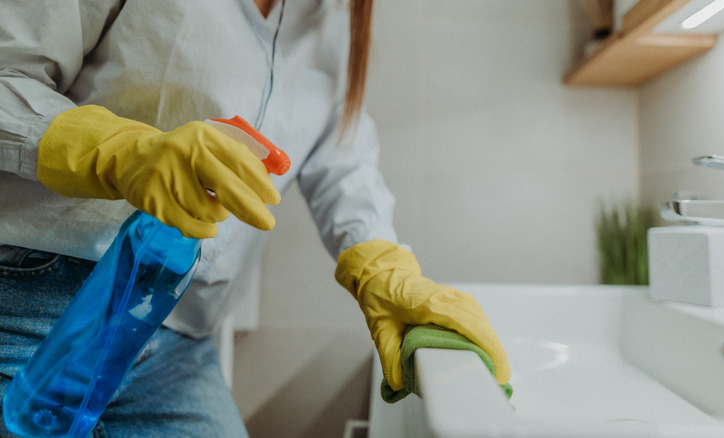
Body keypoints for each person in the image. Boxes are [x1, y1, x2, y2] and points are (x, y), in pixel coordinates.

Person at [0, 0, 511, 435]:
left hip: (179, 334)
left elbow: (342, 161)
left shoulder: (331, 21)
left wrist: (381, 266)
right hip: (35, 296)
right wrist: (115, 151)